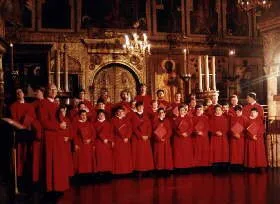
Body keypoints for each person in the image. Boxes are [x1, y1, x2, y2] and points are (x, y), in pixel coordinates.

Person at [38, 84, 69, 192]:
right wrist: (58, 126)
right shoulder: (43, 103)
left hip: (58, 136)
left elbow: (60, 118)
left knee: (59, 162)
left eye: (55, 89)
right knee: (50, 162)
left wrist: (63, 123)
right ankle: (50, 187)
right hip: (50, 136)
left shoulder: (56, 104)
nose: (53, 91)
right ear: (47, 91)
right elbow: (44, 121)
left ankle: (59, 186)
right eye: (51, 89)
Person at [10, 88, 40, 179]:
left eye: (20, 92)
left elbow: (33, 118)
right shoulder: (13, 106)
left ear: (24, 94)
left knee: (28, 154)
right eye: (17, 92)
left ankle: (27, 174)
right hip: (18, 132)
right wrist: (21, 126)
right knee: (19, 154)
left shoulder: (29, 106)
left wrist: (26, 123)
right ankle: (18, 175)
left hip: (28, 132)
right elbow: (13, 119)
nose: (19, 94)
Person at [131, 102, 154, 173]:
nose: (140, 108)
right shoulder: (133, 116)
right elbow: (133, 127)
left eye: (142, 107)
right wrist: (140, 136)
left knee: (145, 154)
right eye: (139, 107)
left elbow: (149, 127)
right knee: (138, 155)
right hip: (137, 138)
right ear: (136, 107)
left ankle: (147, 169)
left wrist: (148, 135)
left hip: (146, 138)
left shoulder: (146, 116)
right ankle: (138, 170)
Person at [72, 110, 96, 174]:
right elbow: (74, 135)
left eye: (85, 115)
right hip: (80, 144)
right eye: (82, 115)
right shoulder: (76, 123)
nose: (84, 116)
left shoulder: (90, 123)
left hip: (88, 145)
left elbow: (94, 134)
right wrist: (76, 144)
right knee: (81, 160)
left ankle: (88, 173)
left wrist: (90, 139)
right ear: (80, 116)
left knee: (88, 160)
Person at [111, 106, 133, 174]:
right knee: (118, 156)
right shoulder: (113, 120)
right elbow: (111, 131)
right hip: (117, 140)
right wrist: (112, 141)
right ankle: (118, 172)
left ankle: (126, 171)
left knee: (125, 156)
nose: (120, 113)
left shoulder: (126, 120)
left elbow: (130, 129)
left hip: (125, 141)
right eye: (119, 112)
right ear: (116, 113)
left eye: (121, 112)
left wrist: (127, 137)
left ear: (124, 112)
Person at [209, 105, 229, 169]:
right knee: (216, 151)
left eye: (219, 110)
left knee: (223, 150)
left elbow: (226, 128)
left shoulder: (224, 119)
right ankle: (215, 164)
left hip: (222, 137)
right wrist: (215, 132)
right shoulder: (212, 119)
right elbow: (210, 127)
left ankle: (223, 164)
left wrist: (222, 132)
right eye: (217, 110)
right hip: (214, 137)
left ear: (222, 111)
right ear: (215, 110)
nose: (218, 111)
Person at [57, 105, 74, 178]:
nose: (62, 113)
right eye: (61, 111)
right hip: (59, 143)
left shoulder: (68, 120)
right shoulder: (57, 121)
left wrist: (69, 137)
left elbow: (72, 132)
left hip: (67, 143)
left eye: (63, 111)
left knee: (67, 159)